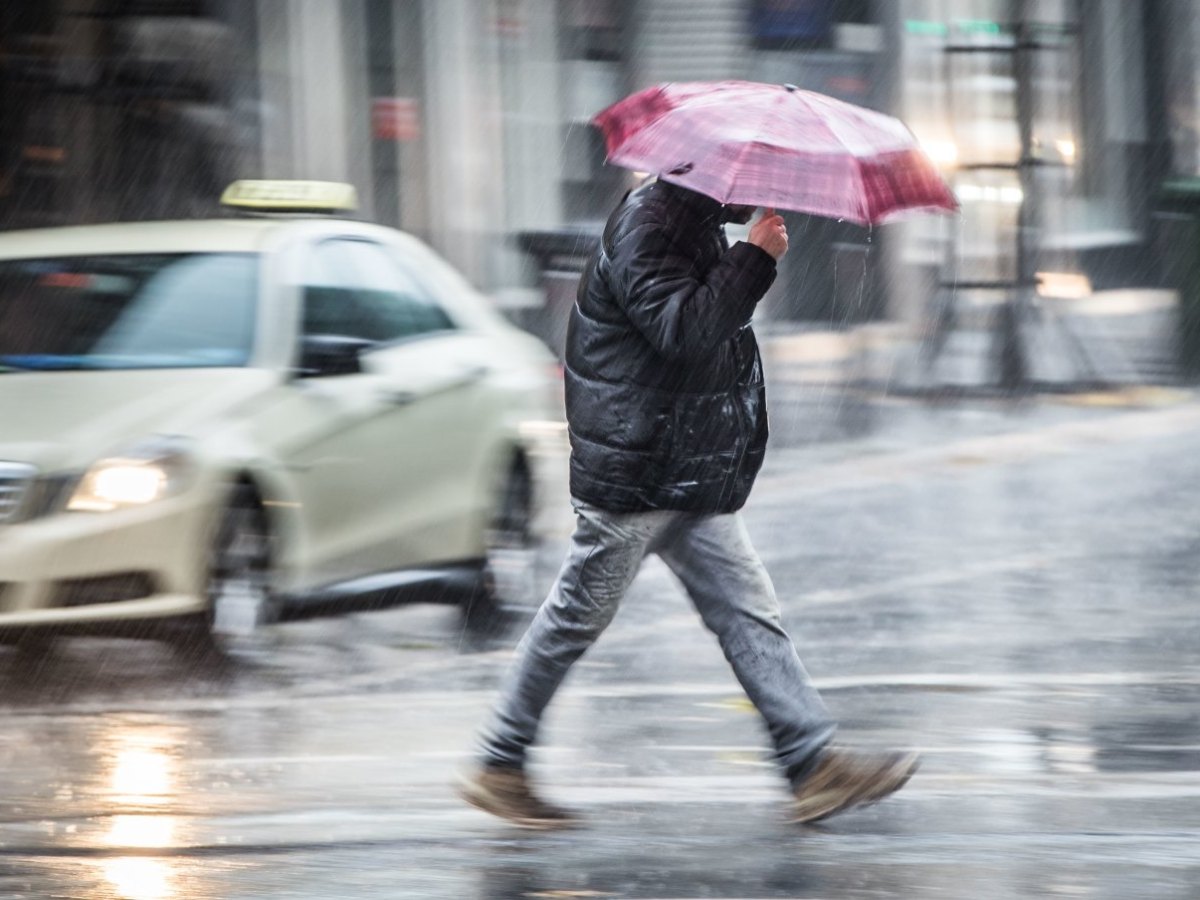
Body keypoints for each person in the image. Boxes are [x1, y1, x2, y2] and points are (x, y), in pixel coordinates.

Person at [459, 177, 918, 828]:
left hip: (679, 468)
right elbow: (683, 331)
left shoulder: (689, 220)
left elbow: (699, 330)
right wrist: (754, 257)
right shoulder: (651, 226)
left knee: (747, 611)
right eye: (748, 178)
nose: (757, 190)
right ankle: (498, 761)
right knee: (574, 619)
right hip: (638, 470)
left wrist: (744, 256)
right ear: (702, 167)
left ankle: (812, 763)